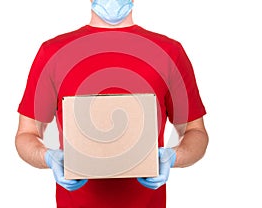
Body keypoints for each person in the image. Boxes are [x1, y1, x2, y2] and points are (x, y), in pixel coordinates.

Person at [15, 0, 209, 207]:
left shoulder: (169, 51)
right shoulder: (53, 52)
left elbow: (195, 132)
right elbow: (26, 134)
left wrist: (173, 157)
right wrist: (48, 157)